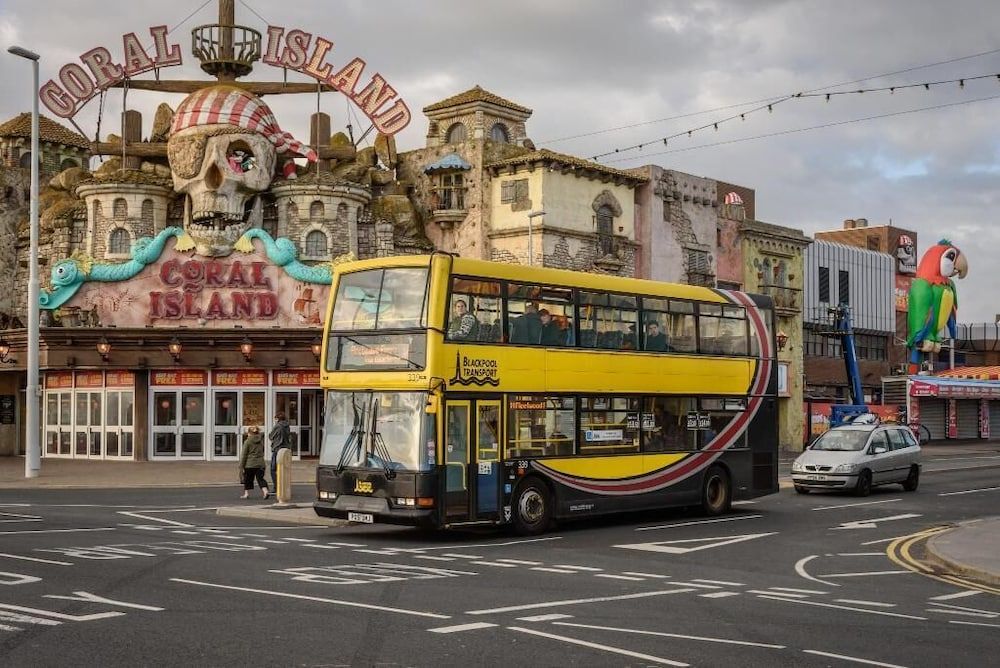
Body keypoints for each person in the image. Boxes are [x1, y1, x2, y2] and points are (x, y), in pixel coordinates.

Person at [239, 426, 269, 499]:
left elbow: (244, 454)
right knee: (260, 478)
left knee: (247, 479)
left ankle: (246, 494)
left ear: (249, 433)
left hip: (250, 464)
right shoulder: (260, 441)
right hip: (260, 463)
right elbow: (263, 450)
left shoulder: (247, 441)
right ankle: (265, 491)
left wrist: (241, 465)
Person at [269, 412, 292, 492]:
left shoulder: (278, 426)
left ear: (278, 419)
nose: (275, 420)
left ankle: (276, 487)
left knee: (273, 469)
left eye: (275, 418)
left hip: (277, 449)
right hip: (285, 449)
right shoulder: (287, 426)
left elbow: (271, 436)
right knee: (284, 469)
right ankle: (284, 487)